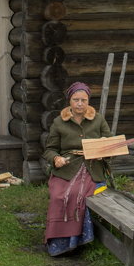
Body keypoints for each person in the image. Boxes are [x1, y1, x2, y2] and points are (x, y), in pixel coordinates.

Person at [42, 81, 112, 257]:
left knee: (78, 195)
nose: (80, 103)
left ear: (88, 101)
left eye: (84, 100)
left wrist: (102, 154)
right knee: (59, 195)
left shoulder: (98, 120)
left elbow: (110, 144)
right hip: (67, 167)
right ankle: (60, 243)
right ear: (69, 101)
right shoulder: (59, 122)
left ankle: (78, 240)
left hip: (91, 167)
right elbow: (49, 149)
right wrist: (56, 159)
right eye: (76, 100)